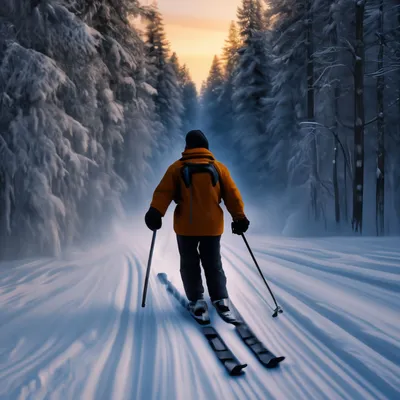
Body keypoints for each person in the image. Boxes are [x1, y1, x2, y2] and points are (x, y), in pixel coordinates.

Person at [144, 130, 249, 324]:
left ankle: (197, 301)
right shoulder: (219, 168)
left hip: (186, 228)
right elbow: (232, 195)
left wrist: (155, 212)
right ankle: (220, 298)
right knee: (213, 262)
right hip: (212, 227)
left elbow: (163, 193)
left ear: (187, 147)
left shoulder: (176, 168)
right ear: (206, 147)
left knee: (189, 264)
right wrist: (239, 218)